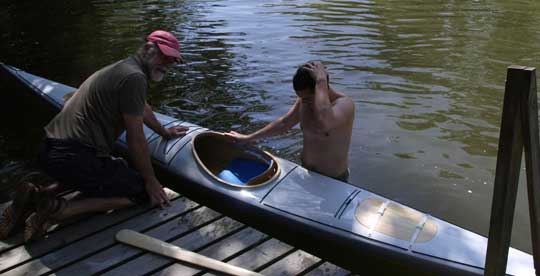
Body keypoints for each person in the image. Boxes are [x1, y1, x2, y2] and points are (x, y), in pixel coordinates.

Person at [0, 30, 188, 242]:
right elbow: (136, 139)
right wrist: (152, 181)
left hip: (50, 150)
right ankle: (58, 209)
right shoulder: (135, 77)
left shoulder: (123, 68)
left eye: (172, 60)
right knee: (141, 192)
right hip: (72, 156)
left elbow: (140, 106)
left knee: (110, 167)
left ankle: (39, 194)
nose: (167, 64)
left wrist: (163, 131)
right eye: (164, 56)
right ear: (147, 49)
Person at [226, 61, 355, 181]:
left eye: (308, 98)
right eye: (301, 98)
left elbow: (324, 123)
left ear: (322, 88)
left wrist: (321, 79)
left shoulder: (345, 105)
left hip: (334, 180)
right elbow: (284, 123)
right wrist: (248, 138)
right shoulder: (304, 101)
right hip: (305, 171)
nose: (304, 102)